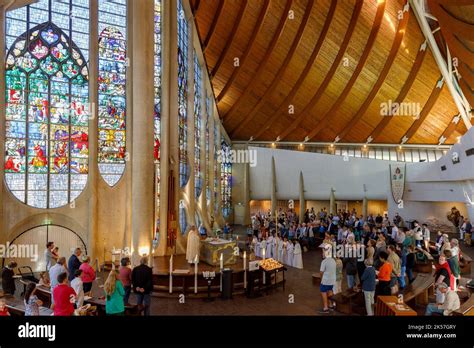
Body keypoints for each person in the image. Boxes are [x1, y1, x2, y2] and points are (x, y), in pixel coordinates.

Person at [319, 246, 336, 314]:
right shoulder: (333, 260)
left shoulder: (324, 261)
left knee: (323, 292)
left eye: (323, 252)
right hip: (332, 280)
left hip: (326, 280)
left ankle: (325, 308)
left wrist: (321, 279)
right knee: (330, 291)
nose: (322, 253)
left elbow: (321, 272)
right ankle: (331, 305)